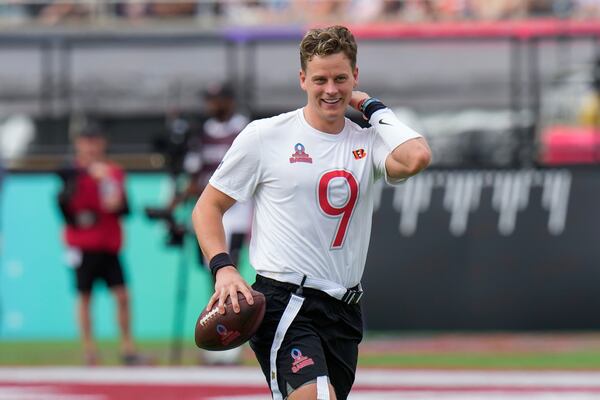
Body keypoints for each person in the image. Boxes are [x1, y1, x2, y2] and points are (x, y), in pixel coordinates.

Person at [192, 25, 431, 400]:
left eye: (340, 78)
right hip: (286, 300)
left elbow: (417, 156)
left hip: (344, 309)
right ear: (303, 79)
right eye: (320, 79)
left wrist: (373, 108)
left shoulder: (367, 141)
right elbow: (208, 206)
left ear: (355, 77)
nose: (331, 89)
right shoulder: (265, 136)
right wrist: (223, 268)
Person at [173, 82, 252, 365]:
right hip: (211, 212)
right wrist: (178, 200)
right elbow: (195, 174)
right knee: (216, 276)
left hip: (238, 212)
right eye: (211, 100)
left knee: (233, 272)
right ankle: (220, 333)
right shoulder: (203, 134)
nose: (213, 105)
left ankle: (232, 341)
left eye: (219, 100)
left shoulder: (245, 129)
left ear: (230, 101)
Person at [57, 121, 144, 366]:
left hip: (109, 244)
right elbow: (64, 202)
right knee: (84, 296)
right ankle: (89, 348)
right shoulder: (72, 171)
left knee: (122, 294)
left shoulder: (114, 172)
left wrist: (117, 201)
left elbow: (125, 208)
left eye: (95, 141)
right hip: (83, 244)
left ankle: (127, 346)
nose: (91, 147)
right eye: (86, 141)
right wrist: (87, 174)